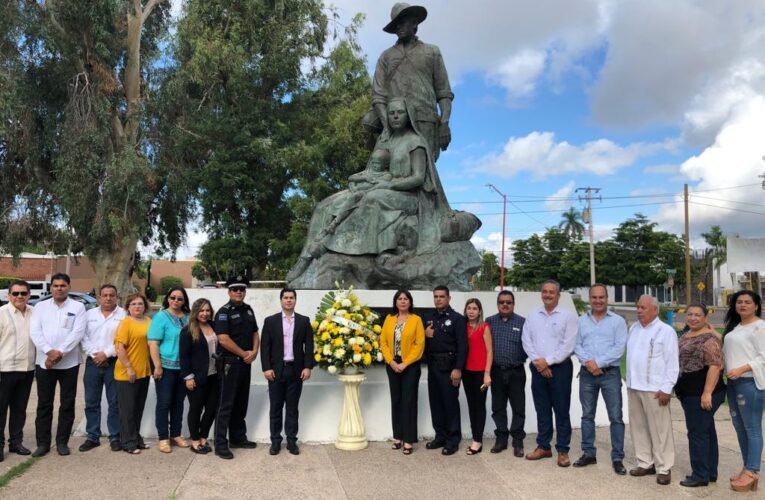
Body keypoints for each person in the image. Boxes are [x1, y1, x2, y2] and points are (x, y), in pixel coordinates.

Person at [371, 2, 453, 161]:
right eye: (396, 24)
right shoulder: (386, 56)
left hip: (426, 121)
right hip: (395, 124)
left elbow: (444, 93)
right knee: (385, 168)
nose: (398, 27)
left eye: (402, 22)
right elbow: (378, 96)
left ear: (414, 23)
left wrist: (444, 123)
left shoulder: (432, 52)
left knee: (423, 173)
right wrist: (387, 127)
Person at [573, 284, 628, 474]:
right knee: (587, 415)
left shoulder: (618, 321)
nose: (598, 301)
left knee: (616, 417)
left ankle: (617, 457)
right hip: (587, 375)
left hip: (610, 375)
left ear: (607, 298)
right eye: (594, 297)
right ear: (589, 299)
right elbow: (576, 345)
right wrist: (589, 364)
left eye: (601, 297)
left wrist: (598, 363)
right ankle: (589, 453)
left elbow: (619, 348)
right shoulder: (581, 321)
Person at [521, 280, 577, 467]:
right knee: (542, 409)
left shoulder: (567, 317)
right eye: (544, 291)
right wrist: (540, 363)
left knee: (561, 410)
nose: (548, 295)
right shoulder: (533, 315)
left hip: (560, 369)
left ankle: (562, 450)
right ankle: (543, 446)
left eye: (552, 292)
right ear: (541, 294)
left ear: (558, 295)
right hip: (538, 368)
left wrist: (548, 362)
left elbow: (568, 346)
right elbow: (526, 340)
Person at [29, 273, 86, 457]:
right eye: (55, 285)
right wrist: (48, 352)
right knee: (44, 404)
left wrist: (59, 353)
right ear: (51, 288)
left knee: (67, 404)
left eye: (63, 285)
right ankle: (43, 443)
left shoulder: (78, 307)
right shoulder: (40, 307)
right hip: (44, 363)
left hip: (69, 364)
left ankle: (62, 442)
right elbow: (35, 332)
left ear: (68, 287)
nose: (59, 288)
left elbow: (77, 333)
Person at [626, 295, 679, 486]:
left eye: (644, 308)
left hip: (655, 389)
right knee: (638, 427)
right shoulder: (633, 329)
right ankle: (645, 462)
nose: (639, 310)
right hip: (634, 386)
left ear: (655, 310)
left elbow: (672, 363)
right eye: (638, 307)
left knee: (660, 430)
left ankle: (664, 467)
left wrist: (667, 388)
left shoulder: (666, 331)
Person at [676, 303, 725, 488]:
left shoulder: (709, 338)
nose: (693, 318)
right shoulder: (687, 334)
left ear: (706, 317)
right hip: (689, 392)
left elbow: (714, 366)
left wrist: (707, 393)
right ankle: (710, 472)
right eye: (690, 314)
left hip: (702, 393)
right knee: (707, 432)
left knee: (697, 434)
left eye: (698, 315)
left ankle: (700, 475)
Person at [261, 288, 314, 456]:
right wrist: (266, 368)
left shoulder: (304, 321)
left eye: (291, 298)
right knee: (275, 408)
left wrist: (308, 366)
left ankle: (291, 441)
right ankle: (275, 442)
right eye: (286, 298)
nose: (289, 300)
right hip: (276, 371)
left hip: (296, 370)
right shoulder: (270, 321)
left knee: (292, 408)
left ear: (295, 300)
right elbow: (265, 347)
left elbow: (310, 346)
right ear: (281, 300)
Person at [723, 290, 765, 493]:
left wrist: (742, 369)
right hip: (733, 383)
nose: (743, 305)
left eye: (748, 302)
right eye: (739, 302)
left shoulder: (760, 327)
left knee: (752, 427)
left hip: (749, 384)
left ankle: (752, 471)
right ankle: (747, 466)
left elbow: (763, 357)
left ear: (756, 306)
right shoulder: (736, 327)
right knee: (740, 427)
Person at [214, 276, 259, 459]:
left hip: (245, 363)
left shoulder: (248, 310)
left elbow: (255, 332)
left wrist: (254, 352)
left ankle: (238, 438)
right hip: (230, 363)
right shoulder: (224, 312)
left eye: (242, 289)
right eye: (235, 289)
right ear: (229, 292)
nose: (239, 292)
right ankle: (220, 444)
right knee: (226, 404)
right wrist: (244, 354)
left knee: (241, 403)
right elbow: (223, 339)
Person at [79, 284, 126, 452]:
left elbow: (123, 339)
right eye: (104, 295)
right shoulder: (89, 314)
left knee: (114, 402)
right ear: (99, 297)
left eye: (111, 295)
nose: (108, 298)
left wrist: (106, 354)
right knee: (91, 401)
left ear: (116, 297)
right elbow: (82, 336)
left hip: (114, 362)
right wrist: (95, 355)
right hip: (93, 362)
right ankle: (92, 436)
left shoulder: (124, 315)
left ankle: (115, 436)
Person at [380, 289, 425, 455]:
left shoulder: (416, 320)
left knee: (409, 402)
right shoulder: (389, 319)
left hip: (410, 366)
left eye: (406, 299)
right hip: (392, 365)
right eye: (400, 299)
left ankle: (408, 440)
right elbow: (383, 341)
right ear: (395, 302)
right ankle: (397, 436)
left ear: (410, 302)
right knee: (396, 400)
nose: (403, 301)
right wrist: (391, 361)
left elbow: (419, 345)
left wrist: (405, 363)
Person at [424, 285, 467, 456]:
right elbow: (422, 343)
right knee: (436, 403)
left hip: (450, 367)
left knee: (450, 404)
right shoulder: (429, 317)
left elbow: (463, 346)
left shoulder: (457, 319)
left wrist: (458, 368)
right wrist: (425, 336)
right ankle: (440, 436)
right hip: (433, 365)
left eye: (442, 296)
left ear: (449, 298)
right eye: (436, 296)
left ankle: (453, 440)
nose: (438, 299)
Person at [147, 285, 190, 453]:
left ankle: (176, 434)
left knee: (178, 402)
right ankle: (163, 437)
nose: (176, 301)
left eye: (179, 298)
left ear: (184, 300)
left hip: (184, 368)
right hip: (165, 367)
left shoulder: (188, 317)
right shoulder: (161, 317)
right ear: (168, 298)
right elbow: (153, 343)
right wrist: (157, 366)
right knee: (164, 403)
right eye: (173, 297)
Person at [486, 290, 527, 456]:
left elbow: (529, 345)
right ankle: (501, 439)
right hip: (496, 371)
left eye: (508, 302)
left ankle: (517, 441)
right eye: (502, 302)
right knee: (498, 407)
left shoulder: (523, 322)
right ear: (498, 304)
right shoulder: (489, 322)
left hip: (516, 371)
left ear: (513, 304)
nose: (505, 304)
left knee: (518, 408)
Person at [0, 280, 35, 461]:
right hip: (4, 370)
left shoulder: (34, 313)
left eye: (23, 293)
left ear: (29, 295)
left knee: (19, 409)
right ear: (9, 296)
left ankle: (16, 443)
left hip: (27, 369)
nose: (19, 296)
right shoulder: (2, 314)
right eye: (15, 293)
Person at [179, 298, 219, 454]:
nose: (205, 313)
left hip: (214, 376)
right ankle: (195, 442)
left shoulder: (214, 326)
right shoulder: (188, 330)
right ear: (195, 312)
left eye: (207, 310)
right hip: (196, 377)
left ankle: (203, 438)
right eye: (201, 310)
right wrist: (188, 377)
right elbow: (184, 356)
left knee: (211, 409)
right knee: (196, 409)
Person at [114, 293, 152, 454]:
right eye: (134, 304)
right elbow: (119, 347)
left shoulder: (150, 322)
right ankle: (128, 442)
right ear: (128, 307)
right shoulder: (125, 323)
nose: (137, 307)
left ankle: (136, 438)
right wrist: (129, 367)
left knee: (138, 408)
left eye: (140, 304)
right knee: (127, 410)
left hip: (144, 372)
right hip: (127, 372)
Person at [462, 298, 493, 455]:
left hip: (481, 374)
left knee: (479, 406)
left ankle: (477, 440)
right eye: (469, 308)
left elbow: (489, 351)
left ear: (480, 311)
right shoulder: (463, 327)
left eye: (475, 308)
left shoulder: (484, 327)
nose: (471, 311)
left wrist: (487, 373)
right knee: (471, 404)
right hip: (467, 373)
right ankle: (475, 435)